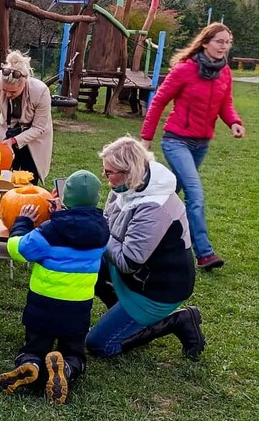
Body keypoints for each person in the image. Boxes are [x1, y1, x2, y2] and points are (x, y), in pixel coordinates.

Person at [0, 170, 109, 403]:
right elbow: (77, 230)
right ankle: (67, 368)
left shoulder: (50, 230)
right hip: (78, 307)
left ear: (65, 198)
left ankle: (31, 363)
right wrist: (62, 214)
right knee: (74, 351)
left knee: (34, 346)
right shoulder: (102, 230)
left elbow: (18, 250)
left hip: (43, 305)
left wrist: (23, 223)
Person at [85, 136, 204, 360]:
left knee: (99, 345)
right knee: (85, 260)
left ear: (129, 172)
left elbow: (127, 262)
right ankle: (124, 316)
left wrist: (97, 230)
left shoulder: (155, 207)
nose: (104, 176)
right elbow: (107, 222)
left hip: (157, 290)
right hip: (139, 276)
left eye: (109, 172)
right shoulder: (125, 186)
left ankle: (177, 321)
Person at [140, 21, 245, 270]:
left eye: (228, 42)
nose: (224, 46)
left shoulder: (224, 71)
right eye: (220, 41)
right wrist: (146, 137)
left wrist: (234, 122)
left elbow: (225, 103)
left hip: (202, 144)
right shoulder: (185, 69)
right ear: (206, 42)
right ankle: (205, 253)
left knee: (169, 192)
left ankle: (141, 223)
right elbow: (159, 101)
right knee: (194, 193)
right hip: (176, 140)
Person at [0, 49, 53, 184]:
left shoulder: (41, 91)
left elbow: (38, 128)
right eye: (4, 90)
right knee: (2, 176)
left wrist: (13, 141)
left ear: (24, 83)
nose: (7, 95)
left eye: (12, 92)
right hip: (7, 131)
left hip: (34, 137)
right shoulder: (0, 79)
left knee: (28, 179)